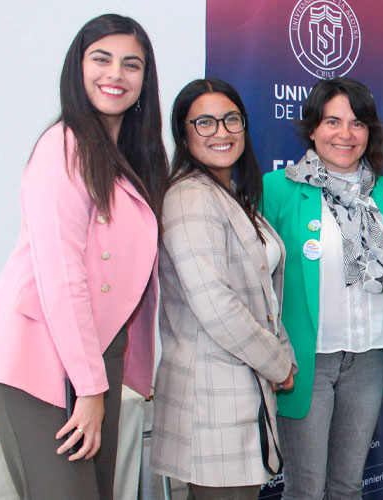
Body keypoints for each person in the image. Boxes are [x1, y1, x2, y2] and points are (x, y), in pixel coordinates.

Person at [0, 13, 167, 499]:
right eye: (101, 59)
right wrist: (89, 388)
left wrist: (121, 374)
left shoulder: (129, 156)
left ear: (145, 81)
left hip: (95, 360)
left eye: (131, 65)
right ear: (76, 69)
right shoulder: (64, 147)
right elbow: (63, 277)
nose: (115, 75)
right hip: (38, 362)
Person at [260, 77, 383, 500]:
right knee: (305, 490)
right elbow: (258, 279)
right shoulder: (277, 189)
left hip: (369, 357)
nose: (345, 134)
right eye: (332, 121)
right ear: (312, 128)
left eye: (357, 123)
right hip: (308, 361)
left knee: (346, 486)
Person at [151, 78, 297, 499]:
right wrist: (278, 363)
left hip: (241, 394)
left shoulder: (229, 194)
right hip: (212, 400)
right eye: (205, 122)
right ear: (183, 133)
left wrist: (281, 352)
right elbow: (215, 303)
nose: (221, 132)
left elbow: (261, 294)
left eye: (231, 119)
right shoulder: (189, 198)